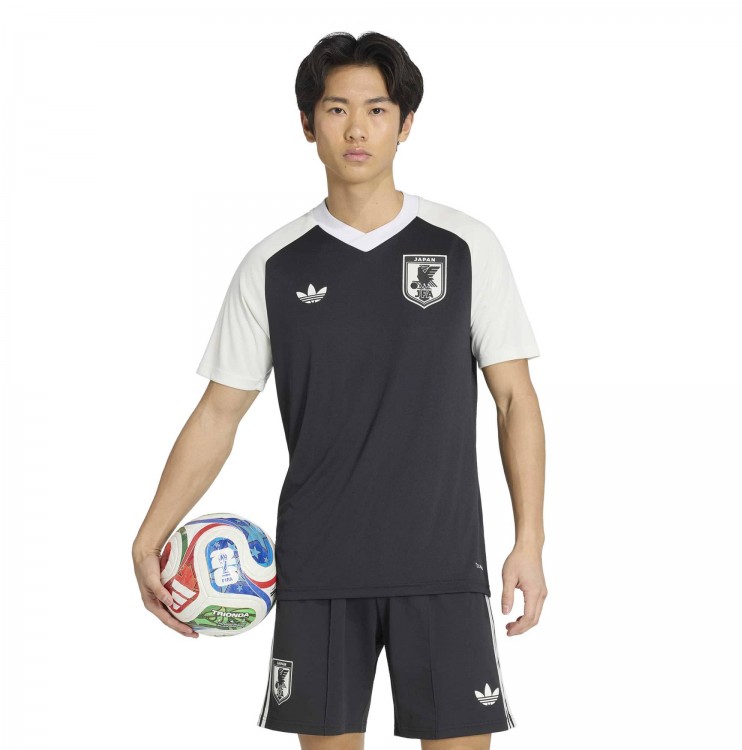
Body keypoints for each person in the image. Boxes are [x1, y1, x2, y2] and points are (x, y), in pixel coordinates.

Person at [132, 30, 547, 750]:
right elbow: (220, 413)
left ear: (405, 124)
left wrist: (530, 539)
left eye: (377, 110)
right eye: (336, 109)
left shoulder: (465, 245)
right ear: (307, 124)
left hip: (442, 565)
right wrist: (148, 536)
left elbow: (515, 400)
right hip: (318, 569)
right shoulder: (272, 264)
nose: (357, 128)